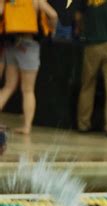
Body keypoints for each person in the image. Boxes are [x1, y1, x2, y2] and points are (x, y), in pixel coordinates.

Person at [0, 0, 57, 135]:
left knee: (8, 86)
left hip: (11, 43)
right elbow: (53, 14)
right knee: (28, 90)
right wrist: (52, 30)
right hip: (28, 44)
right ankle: (26, 126)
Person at [75, 0, 107, 137]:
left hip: (92, 44)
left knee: (87, 85)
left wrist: (82, 30)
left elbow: (78, 17)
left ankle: (83, 124)